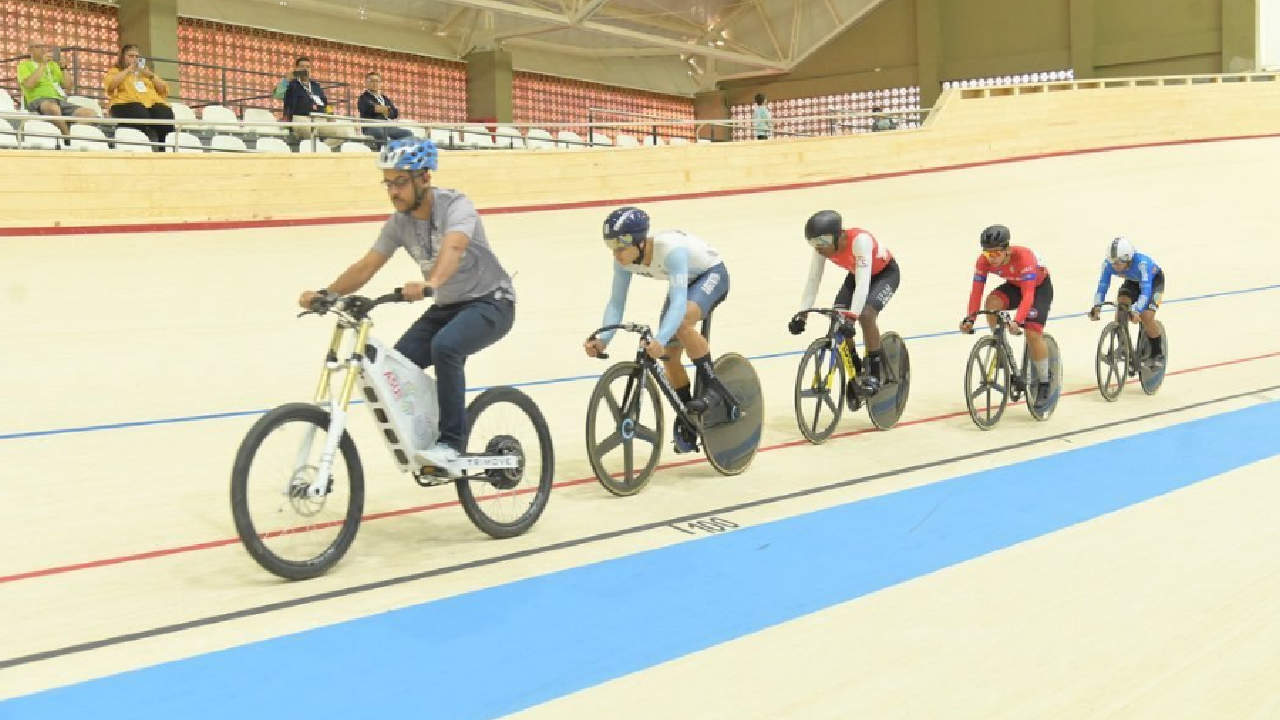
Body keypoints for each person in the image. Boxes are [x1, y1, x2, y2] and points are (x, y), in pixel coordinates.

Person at [296, 139, 516, 474]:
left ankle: (451, 445)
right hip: (448, 306)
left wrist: (432, 284)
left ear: (424, 178)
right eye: (388, 182)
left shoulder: (456, 206)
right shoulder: (399, 223)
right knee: (396, 367)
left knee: (446, 347)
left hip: (491, 302)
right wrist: (326, 295)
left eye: (400, 182)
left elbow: (454, 248)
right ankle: (433, 432)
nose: (393, 191)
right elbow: (367, 265)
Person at [583, 207, 731, 453]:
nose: (616, 254)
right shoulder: (623, 261)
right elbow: (616, 302)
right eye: (611, 247)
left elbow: (678, 302)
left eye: (620, 247)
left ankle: (713, 385)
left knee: (680, 323)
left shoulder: (670, 251)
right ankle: (689, 416)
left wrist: (660, 338)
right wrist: (603, 339)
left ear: (640, 242)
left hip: (710, 275)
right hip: (683, 283)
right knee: (669, 357)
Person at [789, 210, 901, 397]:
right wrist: (802, 314)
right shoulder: (822, 248)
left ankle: (873, 372)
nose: (818, 248)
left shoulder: (860, 241)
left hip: (884, 275)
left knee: (865, 315)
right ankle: (856, 371)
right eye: (813, 243)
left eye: (822, 241)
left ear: (838, 235)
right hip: (858, 274)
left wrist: (852, 318)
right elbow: (813, 280)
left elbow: (863, 285)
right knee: (838, 317)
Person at [959, 224, 1055, 410]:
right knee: (992, 303)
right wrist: (970, 319)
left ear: (1007, 251)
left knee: (1032, 333)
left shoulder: (1024, 257)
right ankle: (1000, 342)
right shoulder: (983, 261)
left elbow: (1028, 295)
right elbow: (976, 293)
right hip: (1014, 286)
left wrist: (1017, 321)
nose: (991, 259)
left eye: (996, 254)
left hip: (1038, 289)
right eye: (988, 254)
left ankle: (1044, 382)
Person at [1089, 236, 1166, 366]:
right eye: (1113, 263)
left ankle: (1158, 353)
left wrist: (1137, 310)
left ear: (1128, 259)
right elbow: (1102, 286)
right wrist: (1097, 306)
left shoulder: (1142, 264)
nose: (1116, 266)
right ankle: (1123, 346)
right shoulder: (1108, 265)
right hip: (1133, 281)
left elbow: (1146, 291)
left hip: (1153, 283)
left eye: (1119, 263)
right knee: (1121, 308)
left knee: (1146, 316)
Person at [15, 41, 96, 138]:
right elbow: (29, 84)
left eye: (44, 46)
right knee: (52, 108)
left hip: (60, 101)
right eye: (38, 47)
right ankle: (68, 138)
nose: (42, 49)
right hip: (38, 100)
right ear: (30, 50)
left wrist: (63, 67)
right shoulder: (24, 65)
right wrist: (43, 65)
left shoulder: (53, 65)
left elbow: (68, 86)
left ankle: (73, 135)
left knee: (89, 113)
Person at [104, 44, 174, 148]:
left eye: (136, 56)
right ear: (122, 57)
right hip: (125, 103)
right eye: (130, 56)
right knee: (140, 113)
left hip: (150, 104)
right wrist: (128, 70)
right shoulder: (116, 71)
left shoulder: (145, 73)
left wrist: (150, 75)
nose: (134, 59)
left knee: (165, 113)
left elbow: (163, 89)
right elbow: (111, 86)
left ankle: (162, 148)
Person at [282, 57, 338, 143]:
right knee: (310, 133)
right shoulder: (292, 84)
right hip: (300, 119)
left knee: (339, 131)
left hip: (319, 119)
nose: (305, 69)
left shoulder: (316, 86)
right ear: (296, 69)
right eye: (302, 67)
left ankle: (326, 151)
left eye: (308, 67)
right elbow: (277, 95)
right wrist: (286, 80)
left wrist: (331, 115)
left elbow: (326, 104)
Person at [357, 71, 412, 147]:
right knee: (379, 133)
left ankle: (398, 151)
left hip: (387, 125)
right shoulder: (363, 97)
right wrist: (385, 110)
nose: (375, 83)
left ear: (380, 83)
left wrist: (383, 110)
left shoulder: (384, 98)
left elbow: (395, 114)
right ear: (366, 83)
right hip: (372, 126)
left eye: (377, 81)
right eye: (372, 81)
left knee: (407, 133)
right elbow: (369, 109)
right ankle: (382, 153)